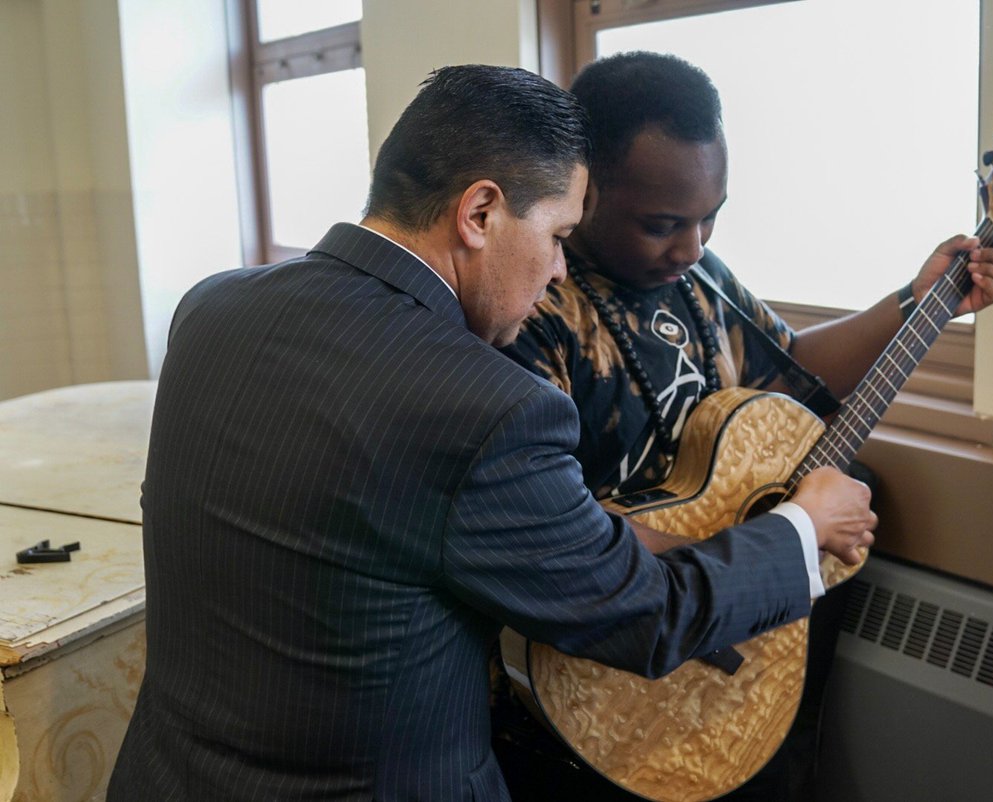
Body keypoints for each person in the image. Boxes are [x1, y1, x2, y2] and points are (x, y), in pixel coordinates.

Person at [107, 64, 876, 802]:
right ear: (479, 214)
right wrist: (803, 529)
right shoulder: (487, 406)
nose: (558, 273)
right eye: (557, 236)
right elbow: (643, 611)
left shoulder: (213, 308)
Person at [494, 52, 993, 800]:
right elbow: (551, 526)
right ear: (584, 186)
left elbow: (791, 369)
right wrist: (764, 553)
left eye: (713, 216)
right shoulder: (535, 311)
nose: (694, 245)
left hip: (725, 616)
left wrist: (916, 299)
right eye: (663, 224)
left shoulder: (697, 273)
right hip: (606, 654)